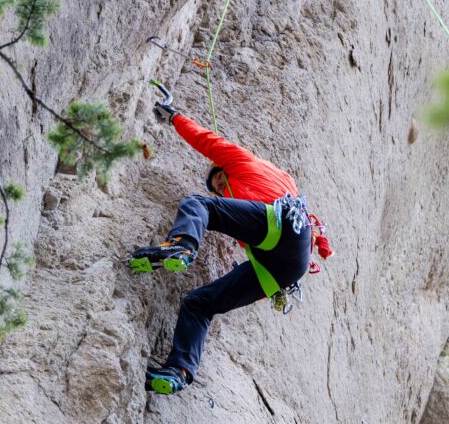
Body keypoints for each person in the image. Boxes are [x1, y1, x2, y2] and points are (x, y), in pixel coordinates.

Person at [131, 98, 318, 396]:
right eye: (218, 188)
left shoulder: (243, 162)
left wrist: (174, 118)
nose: (220, 188)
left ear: (226, 169)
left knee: (199, 203)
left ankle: (182, 245)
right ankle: (178, 371)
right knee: (200, 303)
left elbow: (208, 141)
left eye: (220, 180)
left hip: (280, 223)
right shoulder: (272, 194)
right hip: (282, 268)